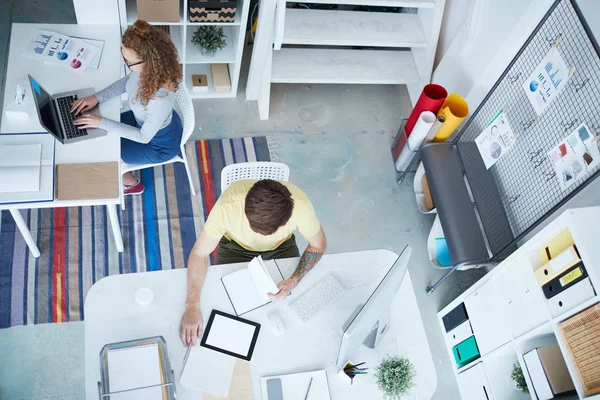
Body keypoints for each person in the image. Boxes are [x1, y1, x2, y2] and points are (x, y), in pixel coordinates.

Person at [179, 179, 328, 346]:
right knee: (225, 305)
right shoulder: (227, 206)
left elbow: (318, 244)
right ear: (245, 208)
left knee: (290, 309)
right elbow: (200, 253)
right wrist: (192, 304)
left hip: (281, 247)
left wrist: (293, 281)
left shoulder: (301, 207)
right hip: (235, 247)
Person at [71, 20, 183, 195]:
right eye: (123, 56)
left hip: (157, 144)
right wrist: (96, 97)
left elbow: (144, 137)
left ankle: (131, 184)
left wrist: (101, 122)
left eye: (128, 61)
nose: (125, 63)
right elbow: (128, 82)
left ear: (149, 62)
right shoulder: (147, 72)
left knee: (107, 151)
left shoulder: (159, 99)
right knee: (98, 130)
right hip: (147, 122)